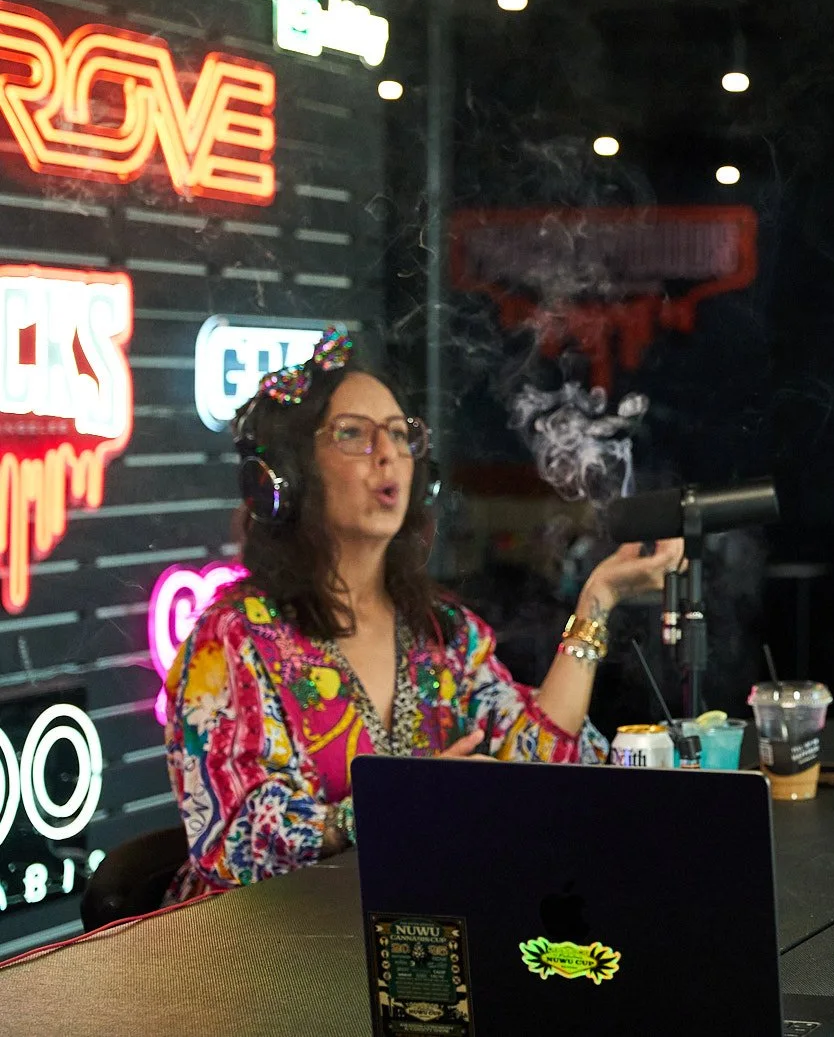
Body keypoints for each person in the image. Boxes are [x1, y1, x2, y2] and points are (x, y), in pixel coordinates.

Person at [163, 329, 683, 900]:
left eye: (398, 435)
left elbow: (536, 758)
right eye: (353, 435)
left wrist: (597, 599)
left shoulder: (444, 634)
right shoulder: (233, 639)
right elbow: (235, 840)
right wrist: (395, 806)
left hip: (411, 938)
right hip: (263, 961)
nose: (388, 455)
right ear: (287, 475)